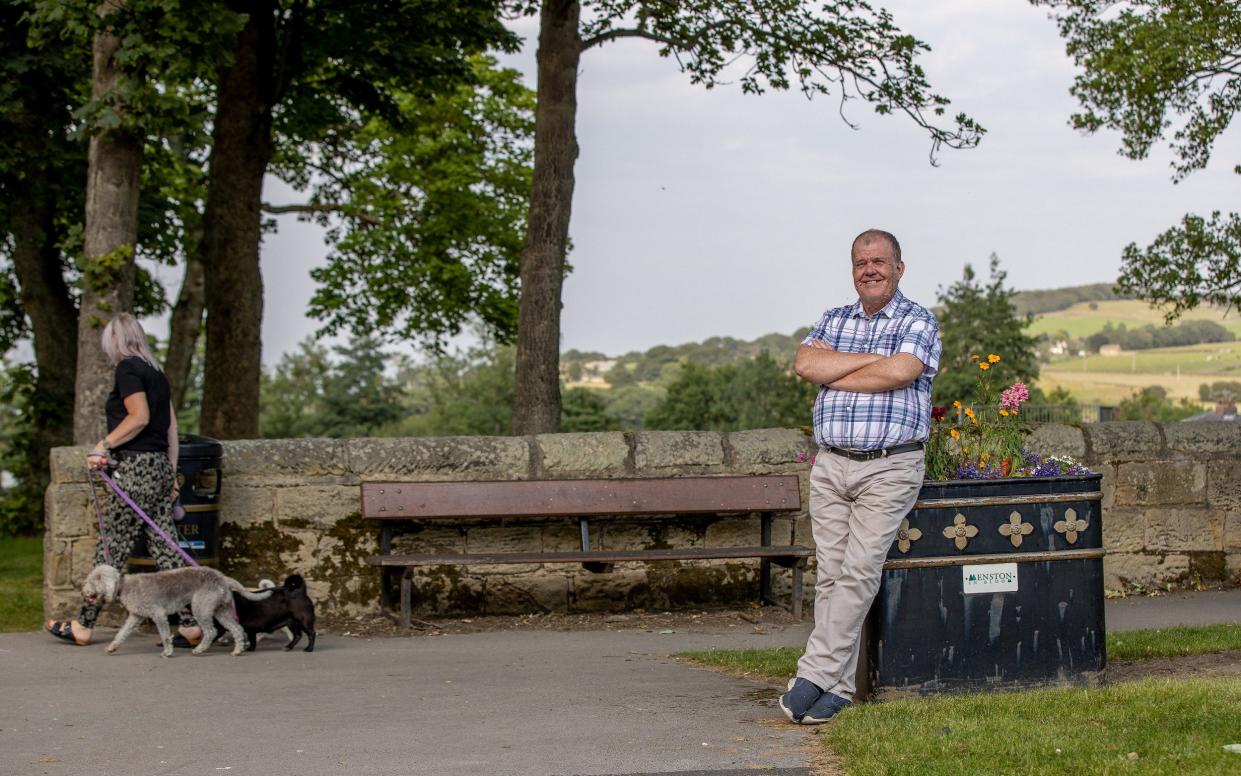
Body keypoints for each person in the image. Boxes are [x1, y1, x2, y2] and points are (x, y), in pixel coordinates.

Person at [779, 229, 940, 724]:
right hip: (830, 464)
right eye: (860, 262)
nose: (869, 269)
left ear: (899, 268)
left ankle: (812, 672)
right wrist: (873, 361)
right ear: (853, 269)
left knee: (858, 571)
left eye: (879, 261)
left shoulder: (919, 319)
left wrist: (840, 369)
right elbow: (806, 363)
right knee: (831, 576)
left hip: (890, 464)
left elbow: (901, 373)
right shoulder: (833, 318)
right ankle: (840, 687)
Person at [46, 313, 202, 647]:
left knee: (109, 549)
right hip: (159, 467)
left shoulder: (128, 368)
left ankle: (83, 625)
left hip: (134, 469)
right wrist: (171, 473)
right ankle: (191, 624)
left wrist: (103, 445)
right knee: (167, 549)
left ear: (114, 341)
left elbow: (139, 417)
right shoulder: (157, 373)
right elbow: (170, 428)